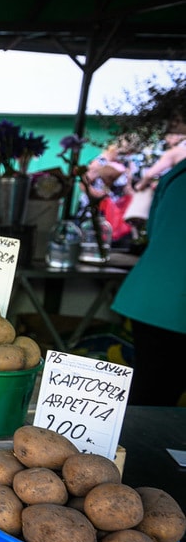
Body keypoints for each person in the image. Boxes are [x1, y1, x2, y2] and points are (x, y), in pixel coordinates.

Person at [110, 130, 186, 407]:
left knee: (150, 392)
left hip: (149, 294)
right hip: (176, 306)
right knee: (158, 397)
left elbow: (153, 231)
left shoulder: (177, 173)